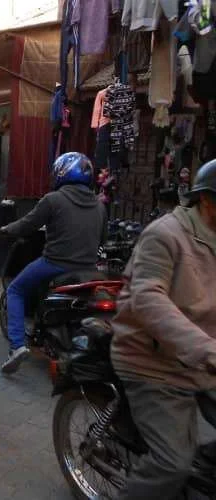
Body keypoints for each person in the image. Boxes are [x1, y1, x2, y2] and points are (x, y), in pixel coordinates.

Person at [109, 160, 216, 500]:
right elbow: (148, 298)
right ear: (208, 201)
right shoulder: (166, 235)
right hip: (153, 363)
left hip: (203, 363)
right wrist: (206, 349)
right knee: (172, 464)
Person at [0, 152, 106, 373]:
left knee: (16, 289)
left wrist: (5, 230)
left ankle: (17, 346)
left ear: (61, 173)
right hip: (89, 269)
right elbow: (102, 239)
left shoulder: (53, 200)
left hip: (54, 264)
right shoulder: (100, 206)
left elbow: (27, 225)